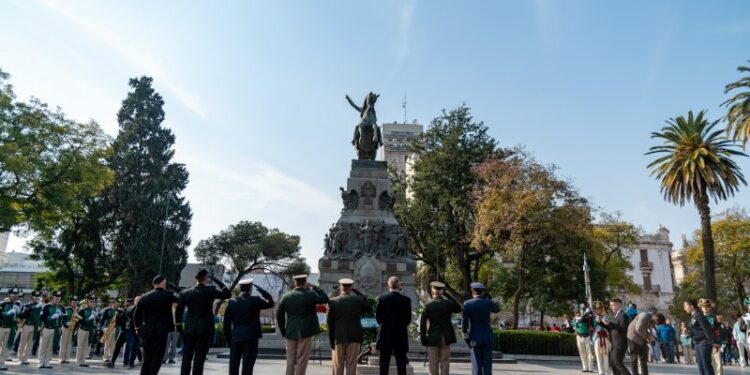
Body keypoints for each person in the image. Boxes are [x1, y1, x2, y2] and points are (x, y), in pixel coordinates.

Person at [175, 269, 231, 375]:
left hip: (190, 329)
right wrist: (217, 281)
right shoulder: (210, 291)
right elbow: (227, 294)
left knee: (186, 357)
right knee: (199, 358)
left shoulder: (185, 293)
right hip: (205, 329)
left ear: (195, 279)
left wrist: (179, 327)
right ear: (205, 279)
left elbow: (178, 311)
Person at [276, 274, 329, 375]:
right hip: (305, 331)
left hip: (290, 331)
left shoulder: (285, 297)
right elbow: (325, 298)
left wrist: (284, 331)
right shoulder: (310, 294)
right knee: (302, 359)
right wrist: (314, 287)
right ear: (305, 282)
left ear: (295, 283)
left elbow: (279, 315)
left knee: (290, 359)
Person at [223, 278, 275, 375]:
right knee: (248, 366)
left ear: (240, 289)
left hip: (236, 338)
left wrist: (229, 340)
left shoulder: (231, 302)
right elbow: (271, 303)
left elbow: (226, 325)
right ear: (250, 288)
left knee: (233, 366)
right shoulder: (256, 300)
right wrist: (262, 291)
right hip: (251, 337)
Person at [134, 274, 180, 375]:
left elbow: (136, 315)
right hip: (161, 330)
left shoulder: (144, 297)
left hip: (146, 331)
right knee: (157, 357)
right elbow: (181, 296)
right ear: (163, 283)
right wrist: (175, 288)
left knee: (146, 357)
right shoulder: (169, 294)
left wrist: (137, 328)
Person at [328, 278, 370, 375]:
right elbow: (367, 306)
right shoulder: (358, 300)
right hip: (354, 336)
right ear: (351, 288)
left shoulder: (333, 302)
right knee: (351, 364)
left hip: (338, 337)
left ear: (340, 288)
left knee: (338, 365)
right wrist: (357, 292)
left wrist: (331, 341)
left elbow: (330, 323)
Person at [419, 281, 461, 375]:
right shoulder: (448, 303)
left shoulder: (428, 305)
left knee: (433, 363)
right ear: (442, 292)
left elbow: (422, 323)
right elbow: (458, 309)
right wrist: (448, 295)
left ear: (432, 291)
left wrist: (423, 338)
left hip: (433, 337)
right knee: (445, 363)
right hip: (446, 337)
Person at [375, 276, 412, 375]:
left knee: (384, 364)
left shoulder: (382, 299)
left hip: (385, 335)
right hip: (400, 335)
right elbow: (408, 318)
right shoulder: (406, 300)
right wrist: (401, 326)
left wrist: (385, 325)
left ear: (388, 286)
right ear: (399, 285)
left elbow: (378, 318)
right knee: (401, 364)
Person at [462, 282, 500, 375]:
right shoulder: (488, 303)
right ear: (483, 292)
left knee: (476, 365)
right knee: (487, 364)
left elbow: (464, 323)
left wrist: (465, 335)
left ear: (472, 291)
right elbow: (497, 309)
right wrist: (490, 299)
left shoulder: (467, 303)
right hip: (487, 336)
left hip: (475, 336)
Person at [685, 299, 717, 375]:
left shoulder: (698, 315)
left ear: (692, 306)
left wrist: (711, 342)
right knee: (701, 365)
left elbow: (706, 328)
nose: (685, 308)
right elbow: (697, 328)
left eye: (685, 306)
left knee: (706, 365)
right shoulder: (694, 315)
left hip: (703, 342)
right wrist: (688, 332)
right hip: (697, 342)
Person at [599, 298, 630, 375]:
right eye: (610, 305)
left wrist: (609, 323)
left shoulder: (623, 315)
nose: (611, 307)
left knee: (617, 363)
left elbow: (623, 329)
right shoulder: (615, 316)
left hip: (620, 344)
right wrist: (600, 322)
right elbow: (611, 329)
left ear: (619, 304)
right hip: (614, 343)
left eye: (612, 305)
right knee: (613, 364)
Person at [36, 291, 63, 369]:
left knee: (50, 346)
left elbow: (63, 319)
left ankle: (47, 362)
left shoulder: (60, 308)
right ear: (53, 298)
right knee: (43, 346)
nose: (57, 300)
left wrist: (62, 317)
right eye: (56, 298)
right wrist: (50, 317)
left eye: (59, 298)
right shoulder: (47, 306)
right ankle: (40, 362)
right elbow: (41, 318)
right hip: (46, 328)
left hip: (55, 329)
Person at [627, 310, 657, 375]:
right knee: (634, 358)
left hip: (640, 337)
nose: (656, 323)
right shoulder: (644, 315)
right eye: (656, 321)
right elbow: (639, 328)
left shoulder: (651, 320)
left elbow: (648, 330)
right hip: (633, 337)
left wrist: (651, 338)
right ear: (655, 316)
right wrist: (647, 337)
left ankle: (645, 373)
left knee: (643, 357)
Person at [17, 290, 42, 365]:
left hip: (35, 326)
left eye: (38, 297)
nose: (37, 299)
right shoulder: (27, 305)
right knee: (23, 343)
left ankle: (25, 358)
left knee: (30, 344)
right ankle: (20, 358)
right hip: (27, 325)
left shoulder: (40, 306)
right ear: (32, 298)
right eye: (35, 297)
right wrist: (30, 309)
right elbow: (22, 314)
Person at [699, 299, 723, 375]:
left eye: (707, 306)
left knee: (717, 362)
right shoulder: (698, 318)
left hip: (714, 342)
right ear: (701, 308)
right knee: (706, 363)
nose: (705, 308)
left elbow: (718, 330)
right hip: (703, 343)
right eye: (703, 307)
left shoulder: (715, 318)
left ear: (710, 308)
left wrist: (718, 341)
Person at [0, 287, 20, 370]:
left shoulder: (17, 305)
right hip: (1, 327)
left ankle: (1, 363)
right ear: (8, 295)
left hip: (10, 329)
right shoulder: (3, 303)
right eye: (12, 295)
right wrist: (7, 313)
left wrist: (19, 316)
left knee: (5, 347)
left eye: (16, 295)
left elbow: (19, 318)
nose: (14, 297)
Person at [76, 295, 97, 367]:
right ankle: (78, 362)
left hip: (90, 330)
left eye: (93, 302)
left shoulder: (93, 310)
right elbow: (79, 320)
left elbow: (97, 321)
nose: (92, 303)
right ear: (87, 302)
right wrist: (89, 318)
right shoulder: (82, 310)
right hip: (83, 329)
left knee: (86, 347)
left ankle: (83, 361)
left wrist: (96, 317)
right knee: (80, 346)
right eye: (90, 301)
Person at [573, 304, 594, 373]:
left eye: (583, 309)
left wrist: (587, 316)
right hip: (579, 336)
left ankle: (590, 368)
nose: (582, 310)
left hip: (587, 336)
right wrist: (577, 320)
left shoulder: (589, 316)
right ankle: (585, 367)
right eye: (581, 309)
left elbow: (592, 325)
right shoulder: (577, 317)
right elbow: (574, 325)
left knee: (589, 353)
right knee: (582, 352)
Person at [591, 300, 610, 375]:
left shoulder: (605, 316)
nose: (597, 310)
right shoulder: (592, 317)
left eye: (599, 308)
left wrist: (602, 320)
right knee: (598, 356)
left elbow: (607, 324)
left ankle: (606, 371)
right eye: (596, 309)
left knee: (605, 355)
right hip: (596, 338)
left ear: (602, 309)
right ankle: (601, 372)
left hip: (603, 338)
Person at [59, 296, 78, 364]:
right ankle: (62, 358)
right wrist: (66, 323)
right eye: (73, 302)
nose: (74, 304)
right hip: (65, 328)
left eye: (76, 302)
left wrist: (77, 317)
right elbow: (62, 318)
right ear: (70, 302)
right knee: (63, 343)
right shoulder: (66, 309)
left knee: (69, 344)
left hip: (72, 329)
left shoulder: (77, 310)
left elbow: (78, 321)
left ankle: (67, 358)